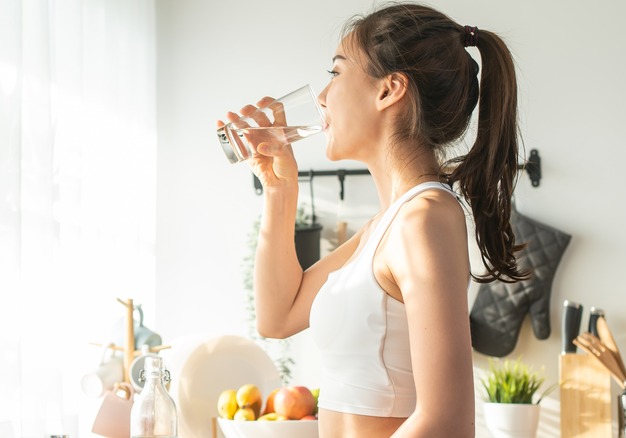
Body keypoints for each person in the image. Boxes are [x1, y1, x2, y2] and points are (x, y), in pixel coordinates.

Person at [218, 3, 529, 437]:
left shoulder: (424, 219)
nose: (322, 97)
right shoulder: (385, 227)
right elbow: (278, 316)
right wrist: (278, 189)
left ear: (388, 90)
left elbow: (448, 421)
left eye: (335, 74)